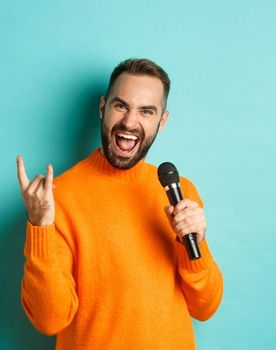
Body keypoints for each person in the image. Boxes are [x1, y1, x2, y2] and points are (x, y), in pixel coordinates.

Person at [15, 58, 223, 349]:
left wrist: (193, 246)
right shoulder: (58, 198)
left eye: (146, 111)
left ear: (161, 121)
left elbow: (205, 307)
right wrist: (40, 226)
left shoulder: (180, 192)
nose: (129, 122)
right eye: (120, 106)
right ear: (103, 108)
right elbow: (49, 320)